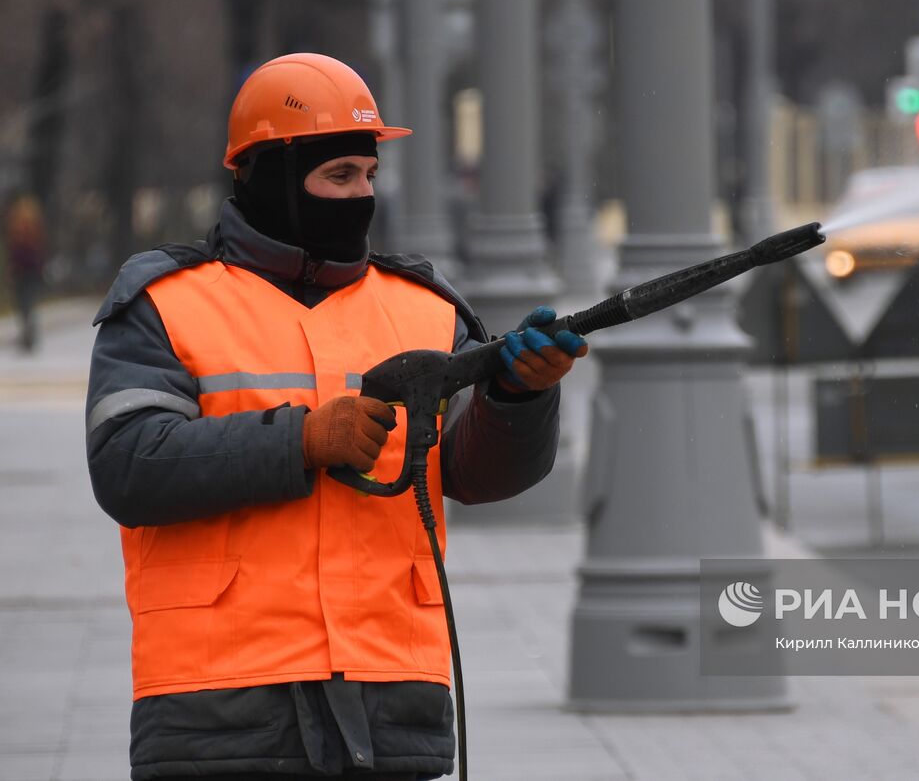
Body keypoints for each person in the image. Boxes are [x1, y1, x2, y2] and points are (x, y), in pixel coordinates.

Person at [86, 53, 587, 780]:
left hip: (390, 693)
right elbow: (129, 463)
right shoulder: (165, 303)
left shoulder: (426, 307)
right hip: (218, 702)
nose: (360, 196)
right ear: (268, 176)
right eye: (338, 177)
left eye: (368, 176)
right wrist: (305, 438)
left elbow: (475, 475)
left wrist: (519, 399)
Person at [5, 191, 46, 352]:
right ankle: (29, 335)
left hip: (22, 272)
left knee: (24, 305)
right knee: (28, 304)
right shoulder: (34, 228)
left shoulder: (17, 229)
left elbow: (15, 253)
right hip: (31, 272)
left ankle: (28, 335)